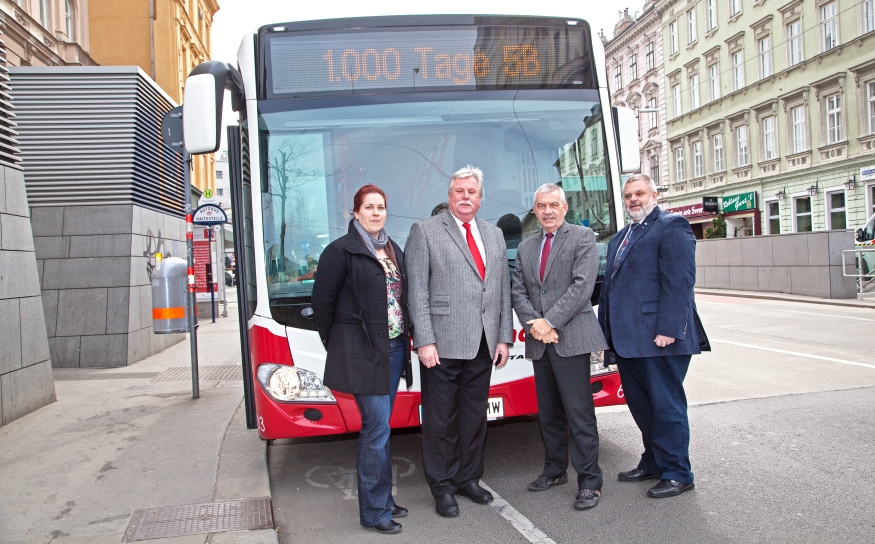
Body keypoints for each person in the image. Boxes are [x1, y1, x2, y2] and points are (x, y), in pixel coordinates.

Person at [406, 165, 513, 517]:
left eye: (472, 192)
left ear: (480, 198)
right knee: (440, 420)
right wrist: (424, 339)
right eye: (460, 191)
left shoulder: (494, 234)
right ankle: (442, 487)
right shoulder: (425, 231)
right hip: (442, 344)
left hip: (483, 344)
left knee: (473, 418)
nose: (466, 197)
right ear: (450, 196)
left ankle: (468, 479)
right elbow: (417, 292)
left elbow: (501, 290)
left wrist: (503, 337)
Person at [311, 184, 413, 534]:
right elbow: (322, 306)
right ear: (355, 213)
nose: (375, 213)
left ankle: (383, 499)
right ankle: (373, 511)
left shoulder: (392, 248)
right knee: (376, 429)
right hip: (362, 354)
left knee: (382, 429)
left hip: (395, 350)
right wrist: (341, 344)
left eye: (381, 207)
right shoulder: (339, 251)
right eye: (368, 207)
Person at [597, 173, 704, 499]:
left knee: (665, 407)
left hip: (660, 340)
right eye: (629, 195)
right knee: (643, 406)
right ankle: (654, 461)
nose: (633, 200)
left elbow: (679, 282)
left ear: (654, 195)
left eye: (640, 193)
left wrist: (668, 330)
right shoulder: (622, 236)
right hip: (629, 342)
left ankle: (677, 472)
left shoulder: (671, 227)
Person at [511, 183, 608, 511]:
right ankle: (554, 470)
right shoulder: (526, 248)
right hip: (542, 343)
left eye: (553, 204)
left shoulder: (582, 238)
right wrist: (537, 326)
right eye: (541, 206)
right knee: (549, 413)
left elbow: (583, 287)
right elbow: (518, 290)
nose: (548, 211)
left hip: (571, 337)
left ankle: (589, 481)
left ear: (564, 208)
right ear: (534, 211)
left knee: (579, 413)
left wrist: (549, 322)